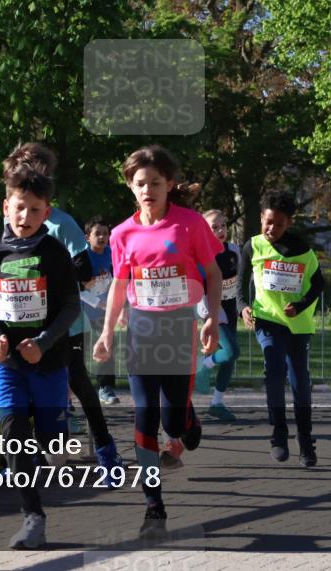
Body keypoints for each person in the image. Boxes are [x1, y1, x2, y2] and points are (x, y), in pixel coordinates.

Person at [93, 145, 222, 539]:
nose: (147, 190)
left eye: (155, 182)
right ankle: (153, 506)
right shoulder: (121, 233)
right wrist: (105, 331)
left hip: (180, 331)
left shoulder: (190, 224)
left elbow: (213, 275)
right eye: (140, 183)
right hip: (142, 335)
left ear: (168, 185)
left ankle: (188, 421)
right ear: (131, 187)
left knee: (173, 422)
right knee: (145, 418)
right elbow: (119, 284)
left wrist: (212, 319)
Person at [1, 144, 123, 486]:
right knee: (23, 387)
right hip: (24, 324)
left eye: (38, 168)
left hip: (64, 324)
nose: (32, 174)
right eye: (24, 167)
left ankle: (107, 454)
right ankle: (24, 459)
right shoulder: (13, 217)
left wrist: (52, 277)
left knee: (81, 386)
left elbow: (84, 270)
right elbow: (0, 263)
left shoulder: (61, 222)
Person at [0, 165, 79, 549]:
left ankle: (58, 432)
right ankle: (33, 517)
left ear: (47, 212)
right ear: (6, 206)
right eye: (20, 208)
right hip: (9, 366)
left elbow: (71, 308)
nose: (25, 217)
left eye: (35, 210)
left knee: (50, 443)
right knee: (13, 436)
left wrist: (45, 340)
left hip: (49, 362)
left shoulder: (54, 253)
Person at [237, 191, 324, 467]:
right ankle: (278, 433)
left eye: (279, 224)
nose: (271, 229)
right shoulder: (253, 246)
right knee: (274, 371)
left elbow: (319, 284)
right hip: (267, 320)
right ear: (262, 218)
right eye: (268, 222)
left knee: (299, 381)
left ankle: (305, 439)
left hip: (298, 324)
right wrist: (242, 307)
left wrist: (300, 305)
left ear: (289, 223)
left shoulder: (303, 249)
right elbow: (239, 283)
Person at [194, 210, 241, 422]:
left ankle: (217, 403)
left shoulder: (234, 251)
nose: (220, 230)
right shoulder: (201, 255)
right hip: (212, 309)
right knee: (231, 351)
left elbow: (239, 281)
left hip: (230, 309)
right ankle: (202, 366)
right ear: (204, 229)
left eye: (223, 225)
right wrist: (208, 313)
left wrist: (243, 307)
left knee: (229, 360)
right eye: (214, 227)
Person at [75, 215, 120, 405]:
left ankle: (105, 387)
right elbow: (76, 289)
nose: (102, 237)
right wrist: (98, 302)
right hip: (83, 310)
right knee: (80, 350)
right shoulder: (80, 259)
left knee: (109, 343)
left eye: (105, 234)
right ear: (87, 237)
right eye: (97, 234)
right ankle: (77, 388)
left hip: (105, 310)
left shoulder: (113, 254)